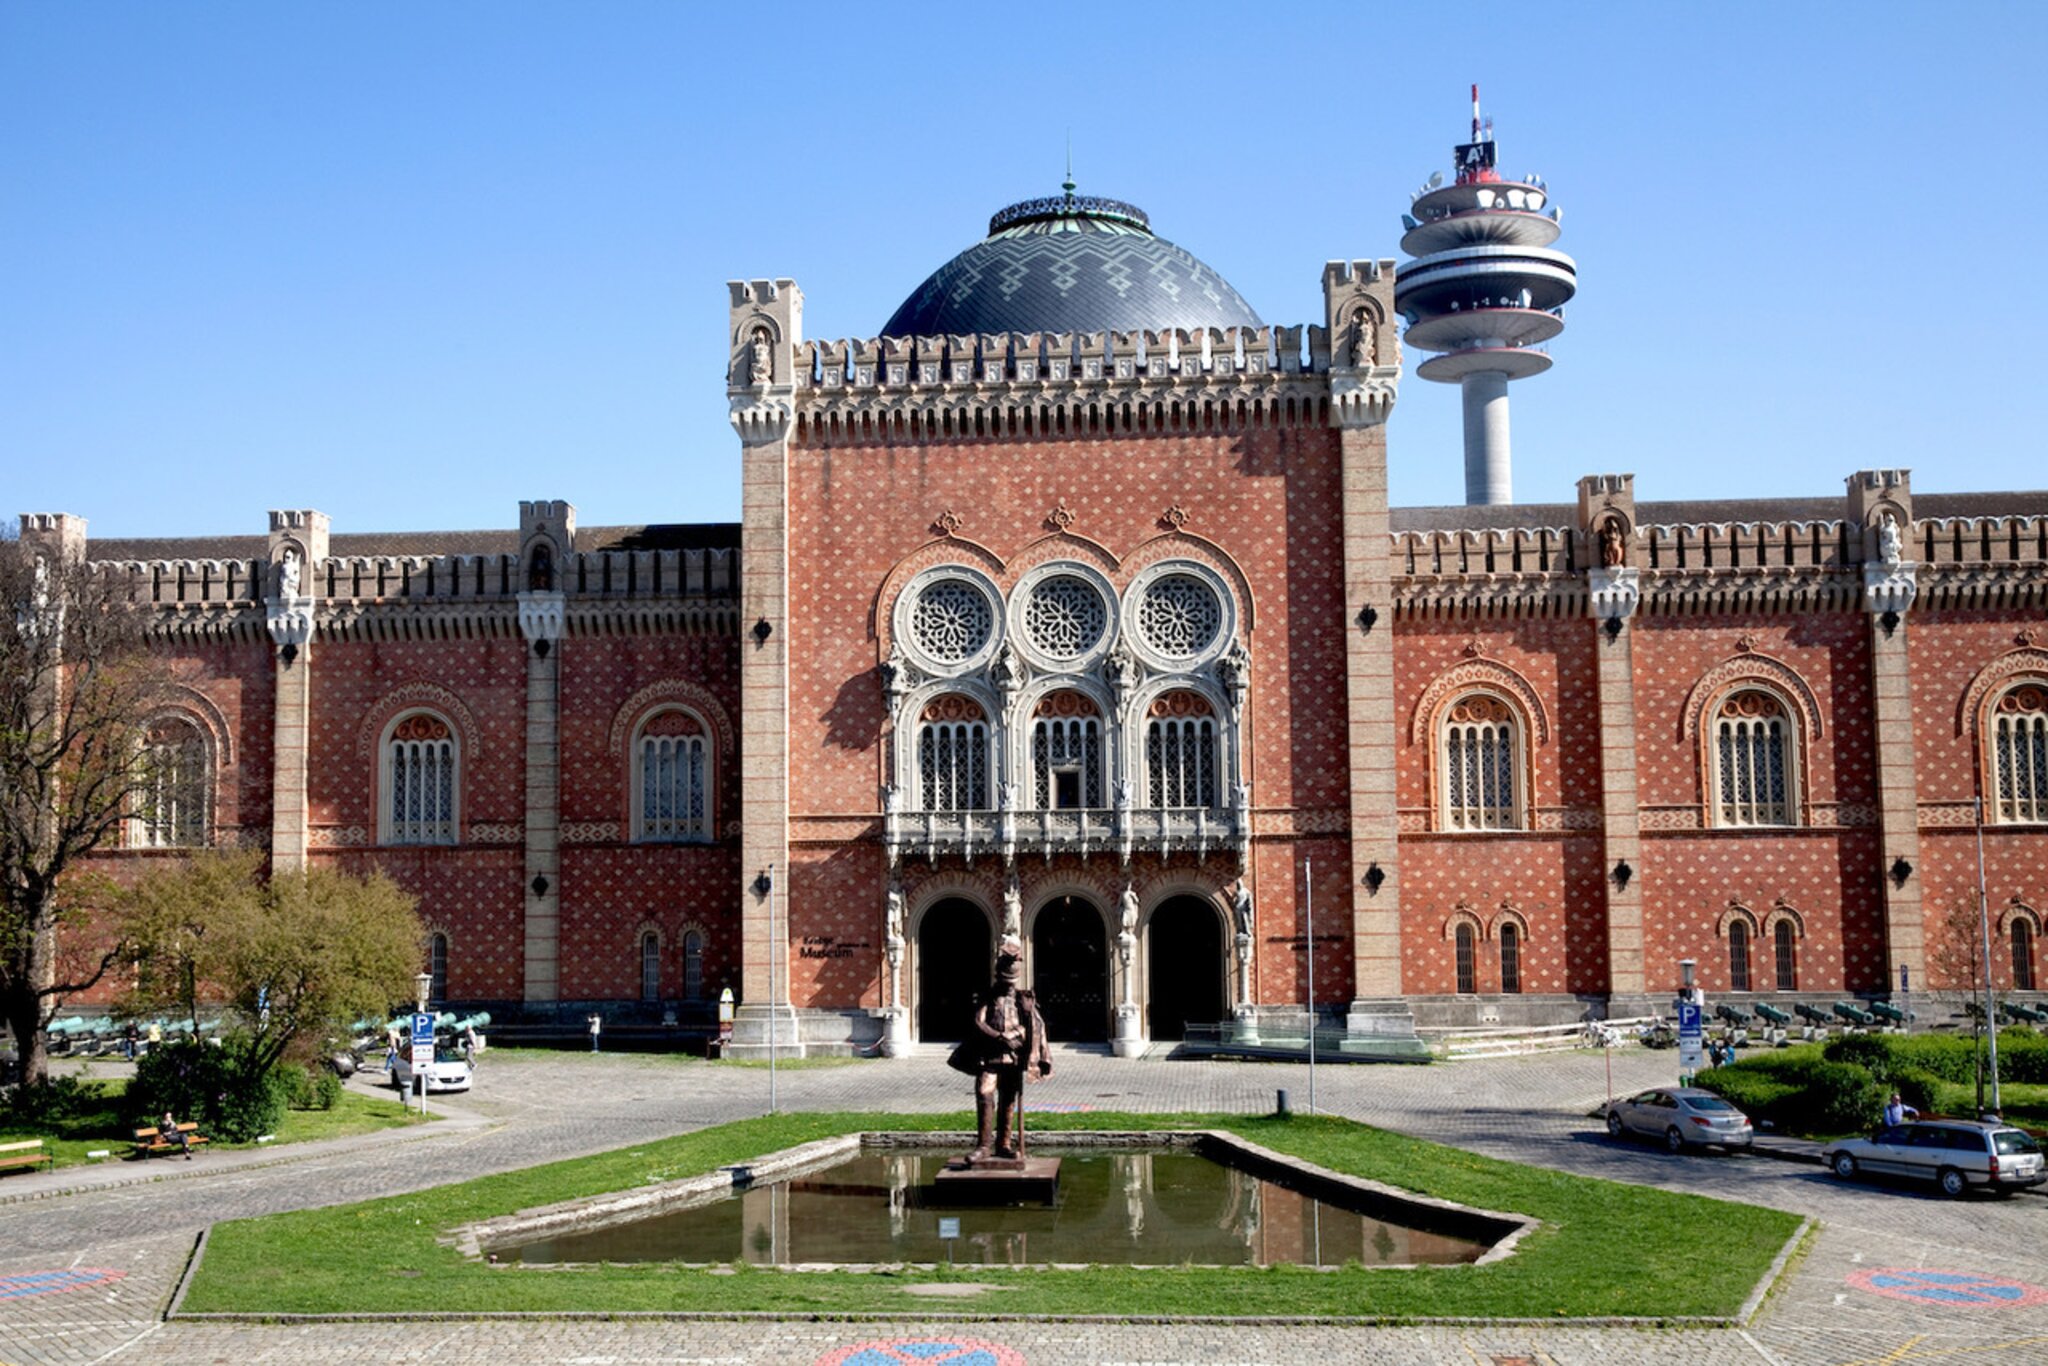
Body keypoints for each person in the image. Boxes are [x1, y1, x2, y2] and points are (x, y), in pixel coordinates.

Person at [945, 936, 1052, 1163]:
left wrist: (1018, 1038)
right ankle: (983, 1145)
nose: (1007, 984)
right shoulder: (989, 997)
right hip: (989, 1056)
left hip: (1012, 1058)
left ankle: (1004, 1144)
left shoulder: (1023, 1001)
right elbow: (978, 1021)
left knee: (1007, 1099)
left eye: (1010, 981)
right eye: (1004, 980)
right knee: (984, 1094)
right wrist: (999, 1037)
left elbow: (1034, 1026)